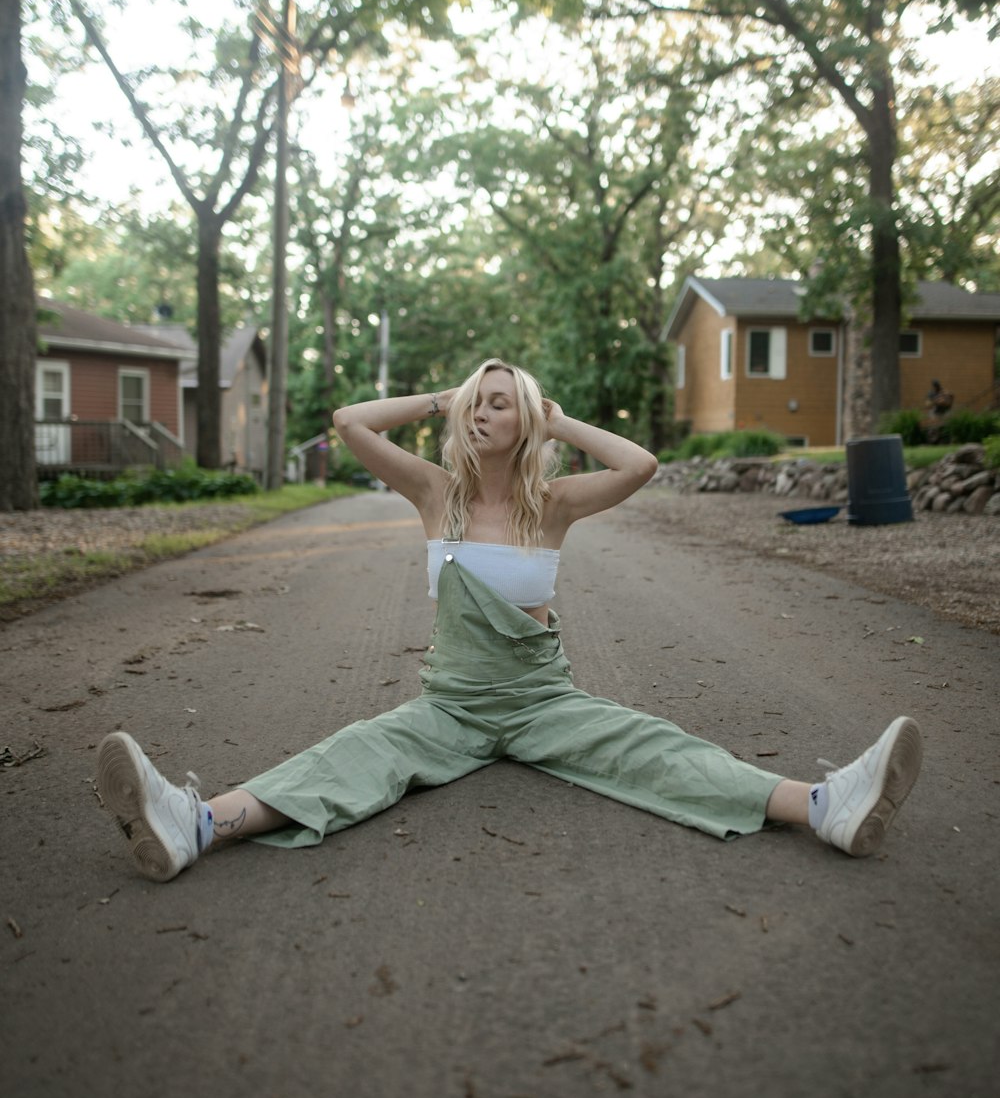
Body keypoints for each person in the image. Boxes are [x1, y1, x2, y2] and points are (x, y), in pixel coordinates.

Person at [95, 359, 923, 883]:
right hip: (449, 702)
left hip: (541, 699)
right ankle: (193, 824)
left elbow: (639, 463)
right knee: (351, 756)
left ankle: (827, 805)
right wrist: (442, 395)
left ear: (525, 419)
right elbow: (349, 422)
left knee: (658, 749)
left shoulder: (552, 504)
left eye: (500, 402)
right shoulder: (434, 492)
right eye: (477, 403)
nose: (482, 412)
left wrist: (555, 418)